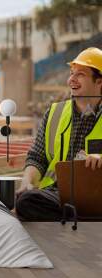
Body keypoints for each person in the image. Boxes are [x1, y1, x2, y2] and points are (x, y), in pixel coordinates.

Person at [15, 47, 102, 221]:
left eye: (80, 75)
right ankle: (79, 218)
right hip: (54, 196)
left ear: (99, 82)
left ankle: (79, 217)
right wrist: (28, 180)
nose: (72, 79)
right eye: (71, 73)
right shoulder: (54, 113)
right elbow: (37, 157)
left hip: (96, 196)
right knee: (25, 201)